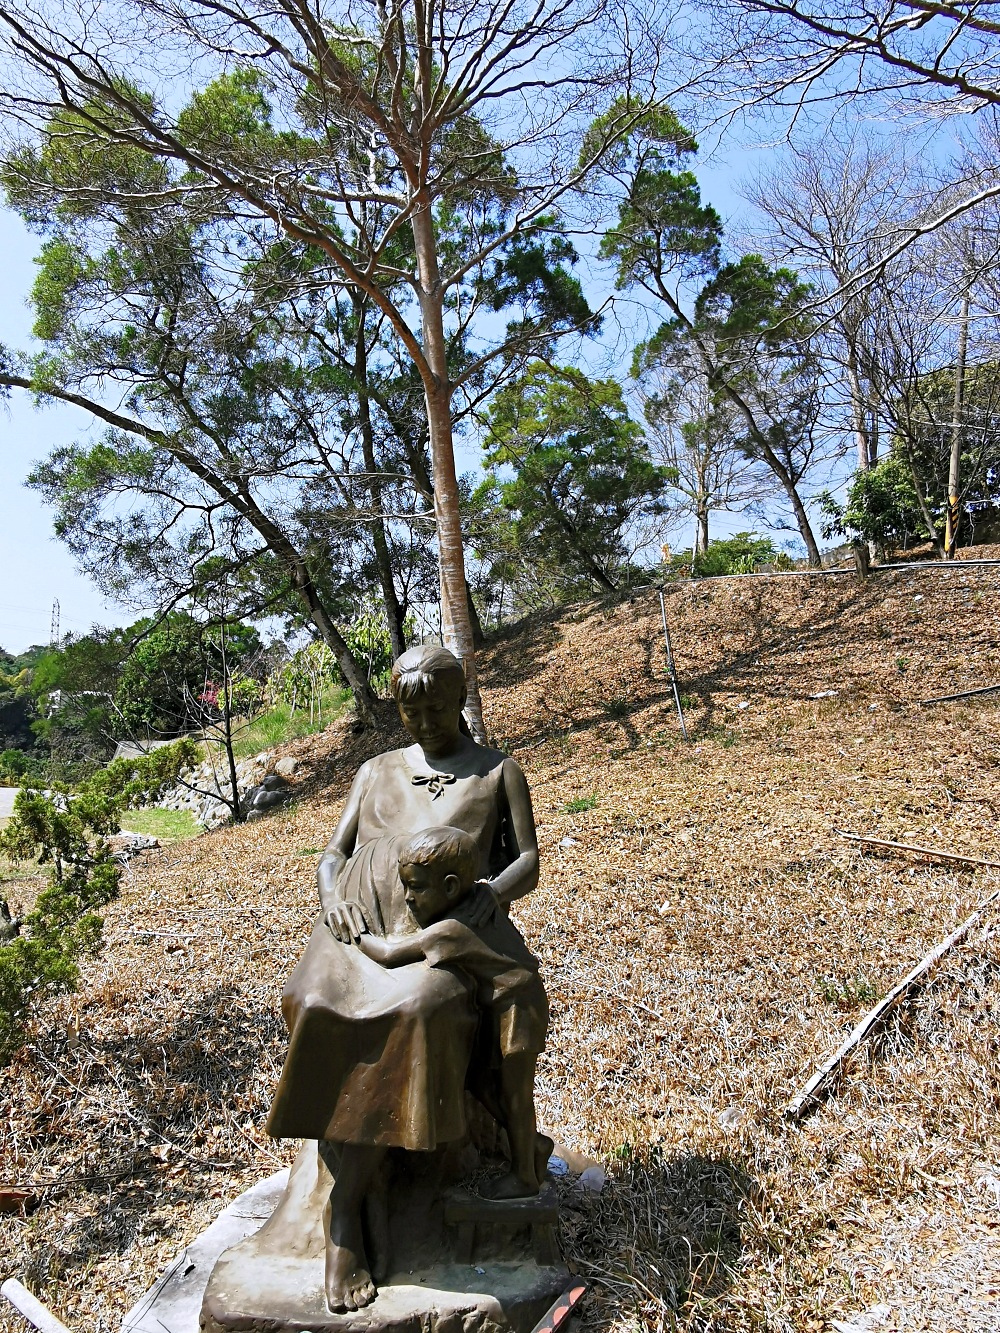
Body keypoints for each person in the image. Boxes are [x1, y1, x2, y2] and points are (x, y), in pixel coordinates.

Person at [264, 646, 544, 1314]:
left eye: (436, 708)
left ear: (460, 701)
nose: (423, 721)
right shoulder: (374, 770)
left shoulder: (498, 771)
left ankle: (349, 1208)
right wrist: (332, 894)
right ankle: (338, 1194)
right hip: (357, 921)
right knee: (310, 1000)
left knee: (420, 1008)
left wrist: (493, 893)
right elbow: (333, 852)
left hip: (436, 930)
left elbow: (529, 859)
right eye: (410, 710)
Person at [352, 824, 549, 1202]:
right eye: (405, 886)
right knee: (479, 1080)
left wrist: (358, 932)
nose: (407, 898)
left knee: (516, 1094)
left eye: (417, 887)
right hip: (508, 1003)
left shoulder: (452, 929)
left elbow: (391, 955)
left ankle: (525, 1175)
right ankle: (533, 1145)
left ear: (450, 887)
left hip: (518, 1007)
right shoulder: (479, 900)